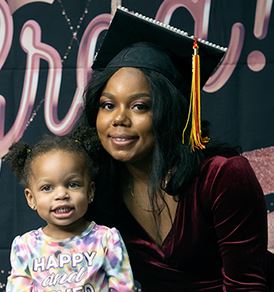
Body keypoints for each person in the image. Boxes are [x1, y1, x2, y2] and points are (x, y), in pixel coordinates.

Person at [77, 7, 274, 292]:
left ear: (170, 113)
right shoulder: (97, 185)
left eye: (140, 106)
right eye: (108, 105)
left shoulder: (221, 176)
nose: (118, 119)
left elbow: (246, 285)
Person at [4, 126, 134, 292]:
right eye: (47, 188)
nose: (61, 194)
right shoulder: (26, 246)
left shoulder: (106, 239)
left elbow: (123, 287)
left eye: (73, 185)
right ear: (31, 198)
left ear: (90, 191)